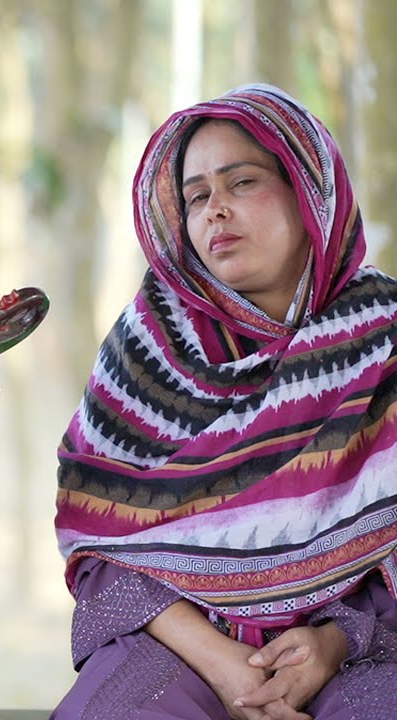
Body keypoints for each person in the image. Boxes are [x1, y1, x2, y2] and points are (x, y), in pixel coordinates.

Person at [53, 84, 397, 720]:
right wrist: (221, 661)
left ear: (308, 189)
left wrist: (336, 640)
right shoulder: (146, 352)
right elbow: (100, 541)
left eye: (242, 182)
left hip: (367, 643)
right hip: (182, 639)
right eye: (196, 195)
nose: (214, 210)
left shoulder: (386, 339)